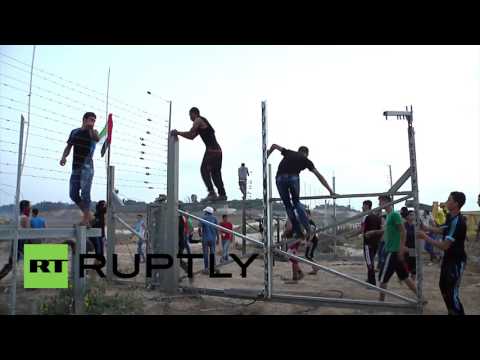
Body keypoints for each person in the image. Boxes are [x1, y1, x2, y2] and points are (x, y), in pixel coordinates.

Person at [267, 144, 336, 241]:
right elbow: (319, 176)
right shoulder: (306, 160)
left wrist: (267, 155)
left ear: (298, 151)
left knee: (287, 205)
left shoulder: (289, 152)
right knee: (296, 202)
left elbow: (274, 145)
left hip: (280, 178)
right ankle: (308, 228)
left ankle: (297, 230)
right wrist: (330, 191)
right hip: (293, 178)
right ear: (306, 154)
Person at [419, 192, 467, 315]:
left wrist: (425, 237)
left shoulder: (458, 221)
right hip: (448, 259)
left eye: (449, 199)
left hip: (456, 261)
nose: (446, 201)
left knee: (452, 291)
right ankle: (451, 311)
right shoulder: (451, 217)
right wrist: (426, 228)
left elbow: (445, 246)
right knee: (443, 286)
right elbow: (443, 230)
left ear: (456, 204)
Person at [365, 195, 418, 302]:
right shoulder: (389, 216)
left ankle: (381, 302)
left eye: (380, 201)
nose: (379, 204)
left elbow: (403, 231)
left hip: (393, 251)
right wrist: (374, 232)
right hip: (392, 250)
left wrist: (401, 248)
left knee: (383, 279)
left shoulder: (394, 215)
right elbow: (387, 231)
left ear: (386, 201)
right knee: (405, 277)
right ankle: (421, 297)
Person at [171, 107, 227, 202]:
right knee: (215, 173)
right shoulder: (202, 123)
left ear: (194, 113)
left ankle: (212, 193)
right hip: (218, 151)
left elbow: (190, 132)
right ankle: (222, 195)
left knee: (204, 170)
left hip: (211, 150)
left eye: (190, 115)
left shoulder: (198, 120)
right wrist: (180, 134)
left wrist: (178, 133)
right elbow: (192, 136)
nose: (190, 118)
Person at [60, 112, 100, 225]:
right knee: (73, 194)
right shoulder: (75, 132)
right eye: (90, 119)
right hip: (75, 167)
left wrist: (91, 129)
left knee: (85, 193)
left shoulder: (93, 132)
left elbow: (96, 139)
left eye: (94, 120)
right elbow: (69, 146)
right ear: (84, 119)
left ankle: (86, 219)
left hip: (87, 167)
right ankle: (90, 216)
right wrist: (63, 157)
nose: (92, 122)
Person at [0, 200, 31, 280]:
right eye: (29, 207)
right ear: (25, 208)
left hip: (16, 242)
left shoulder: (17, 217)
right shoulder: (24, 218)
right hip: (21, 243)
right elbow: (28, 233)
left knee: (11, 264)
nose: (30, 209)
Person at [199, 207, 220, 274]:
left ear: (206, 212)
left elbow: (199, 227)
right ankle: (214, 267)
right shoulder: (215, 218)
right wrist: (218, 238)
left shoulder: (203, 218)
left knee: (205, 253)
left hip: (205, 239)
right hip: (212, 239)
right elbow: (217, 229)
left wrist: (200, 234)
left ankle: (206, 268)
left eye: (205, 211)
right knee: (212, 253)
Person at [404, 210, 417, 281]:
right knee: (405, 262)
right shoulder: (404, 225)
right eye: (411, 214)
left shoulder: (415, 226)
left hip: (413, 247)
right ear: (407, 216)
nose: (412, 216)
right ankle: (405, 278)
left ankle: (413, 278)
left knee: (413, 262)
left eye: (413, 215)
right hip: (405, 247)